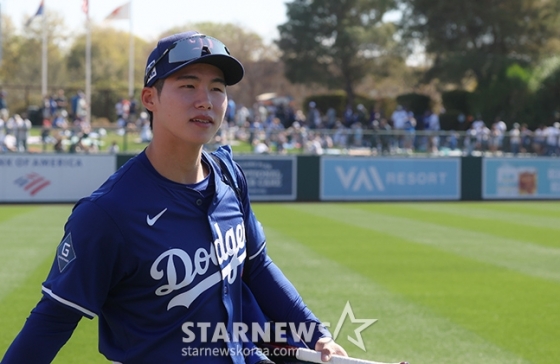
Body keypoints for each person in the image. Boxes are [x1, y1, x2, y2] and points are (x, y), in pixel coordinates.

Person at [1, 30, 346, 364]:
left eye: (217, 88)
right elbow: (53, 321)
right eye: (188, 85)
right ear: (150, 98)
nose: (205, 100)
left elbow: (257, 268)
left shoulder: (228, 174)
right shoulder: (107, 213)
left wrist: (316, 333)